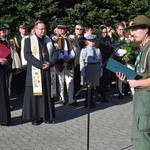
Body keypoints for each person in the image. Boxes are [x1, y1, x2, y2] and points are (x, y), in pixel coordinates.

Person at [116, 15, 150, 150]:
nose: (132, 33)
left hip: (146, 99)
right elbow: (143, 74)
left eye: (136, 29)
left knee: (142, 137)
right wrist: (128, 79)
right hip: (141, 99)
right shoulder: (144, 48)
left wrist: (135, 84)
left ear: (146, 30)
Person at [22, 20, 58, 125]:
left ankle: (47, 116)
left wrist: (50, 63)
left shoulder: (49, 39)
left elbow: (56, 53)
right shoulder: (29, 40)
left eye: (44, 28)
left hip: (47, 70)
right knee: (36, 95)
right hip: (35, 71)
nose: (43, 31)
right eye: (41, 29)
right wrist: (40, 64)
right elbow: (27, 55)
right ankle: (36, 117)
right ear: (35, 29)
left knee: (47, 94)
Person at [52, 24, 77, 106]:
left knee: (70, 81)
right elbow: (54, 51)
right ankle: (62, 99)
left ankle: (71, 99)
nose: (62, 30)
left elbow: (75, 50)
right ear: (58, 30)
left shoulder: (71, 38)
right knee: (60, 82)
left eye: (63, 29)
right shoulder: (55, 39)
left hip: (69, 62)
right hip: (60, 63)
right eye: (60, 29)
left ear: (66, 29)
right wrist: (63, 57)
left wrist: (69, 57)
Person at [80, 34, 103, 108]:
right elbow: (82, 61)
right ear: (87, 41)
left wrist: (100, 71)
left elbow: (100, 61)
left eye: (93, 41)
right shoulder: (84, 50)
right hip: (88, 67)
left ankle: (91, 100)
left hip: (96, 67)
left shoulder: (97, 50)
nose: (92, 42)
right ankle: (87, 102)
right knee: (88, 86)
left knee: (93, 86)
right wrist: (82, 71)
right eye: (90, 41)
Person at [0, 24, 12, 126]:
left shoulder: (5, 43)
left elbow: (10, 59)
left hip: (3, 72)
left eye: (4, 31)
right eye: (1, 31)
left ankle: (3, 119)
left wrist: (6, 61)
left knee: (3, 94)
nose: (3, 32)